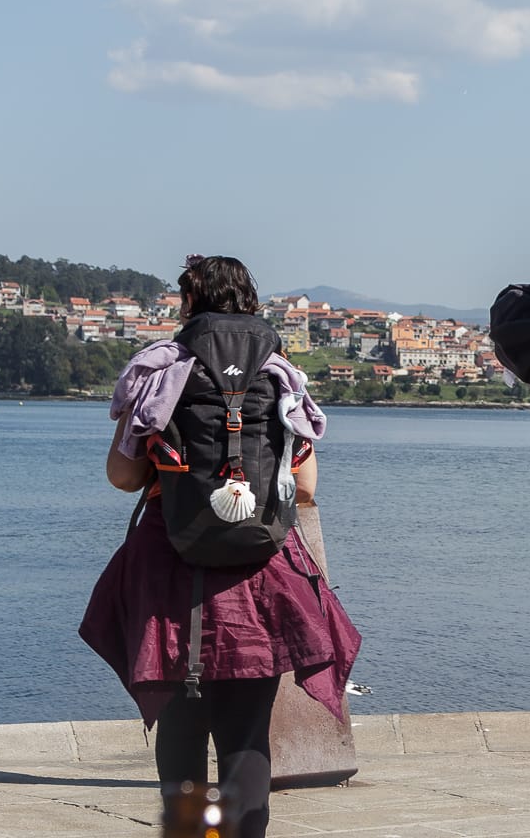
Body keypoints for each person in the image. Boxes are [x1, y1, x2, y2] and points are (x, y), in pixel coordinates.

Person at [79, 254, 359, 838]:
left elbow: (122, 477)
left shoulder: (162, 372)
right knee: (247, 735)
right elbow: (304, 487)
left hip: (168, 575)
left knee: (181, 732)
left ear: (189, 303)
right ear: (250, 302)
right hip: (261, 577)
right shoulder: (280, 373)